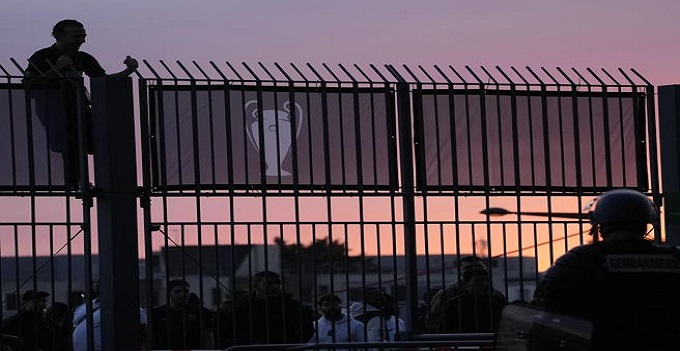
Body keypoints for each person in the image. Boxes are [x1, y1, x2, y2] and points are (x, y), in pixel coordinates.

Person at [532, 188, 680, 350]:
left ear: (600, 226)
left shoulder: (578, 260)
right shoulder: (674, 258)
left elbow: (544, 308)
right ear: (645, 224)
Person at [24, 19, 138, 188]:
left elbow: (103, 81)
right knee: (70, 144)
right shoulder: (42, 56)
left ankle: (102, 180)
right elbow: (28, 85)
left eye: (83, 36)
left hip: (79, 106)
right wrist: (56, 69)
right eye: (76, 36)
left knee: (98, 140)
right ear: (58, 36)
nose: (82, 40)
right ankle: (77, 182)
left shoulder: (83, 58)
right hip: (53, 109)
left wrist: (128, 71)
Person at [426, 255, 507, 333]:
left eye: (479, 268)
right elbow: (433, 323)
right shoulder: (447, 294)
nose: (474, 270)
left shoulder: (495, 296)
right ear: (459, 272)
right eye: (468, 268)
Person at [232, 271, 315, 345]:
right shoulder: (242, 307)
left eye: (278, 283)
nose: (276, 286)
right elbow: (230, 330)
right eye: (269, 283)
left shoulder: (291, 306)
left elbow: (307, 329)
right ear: (255, 286)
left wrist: (290, 345)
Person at [149, 279, 214, 349]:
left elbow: (207, 337)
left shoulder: (200, 312)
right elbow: (149, 337)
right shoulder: (157, 313)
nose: (182, 294)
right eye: (177, 291)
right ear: (169, 293)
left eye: (186, 291)